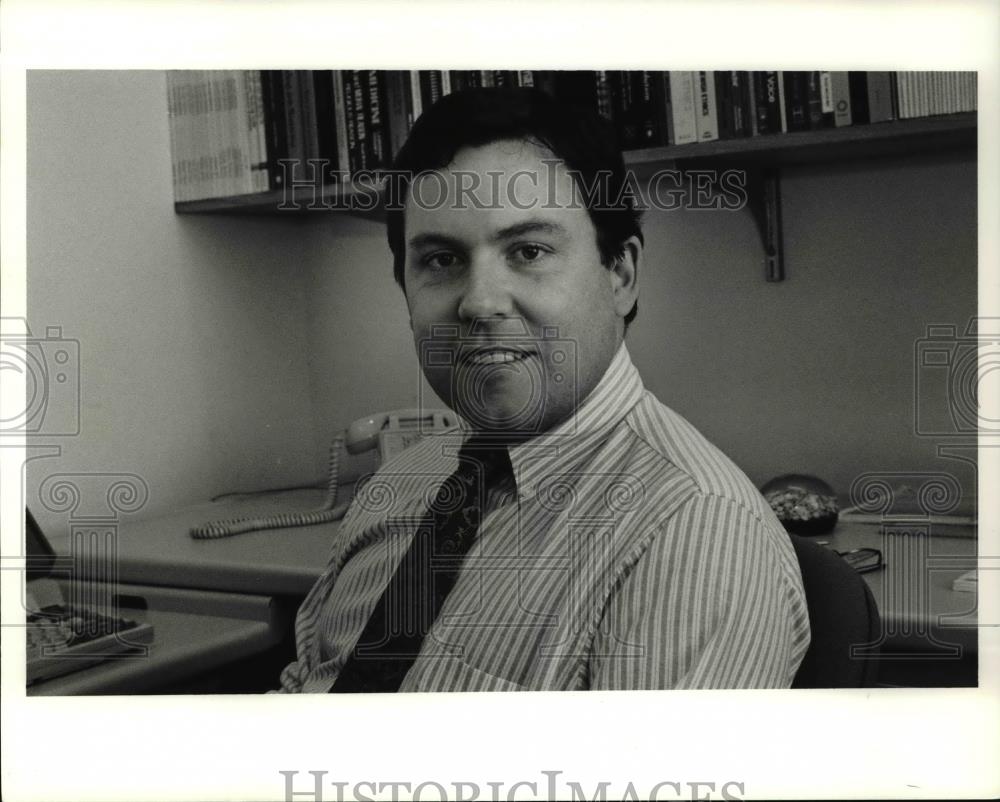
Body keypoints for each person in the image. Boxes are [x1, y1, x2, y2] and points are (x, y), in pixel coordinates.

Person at [277, 87, 810, 692]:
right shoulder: (399, 484)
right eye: (441, 261)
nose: (478, 302)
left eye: (528, 251)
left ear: (621, 275)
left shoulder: (697, 538)